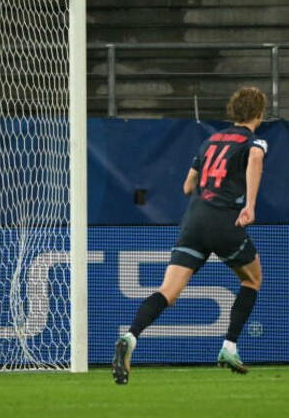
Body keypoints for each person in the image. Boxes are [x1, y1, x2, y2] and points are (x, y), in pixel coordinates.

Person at [112, 87, 269, 384]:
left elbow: (187, 186)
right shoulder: (255, 141)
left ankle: (130, 336)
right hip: (224, 222)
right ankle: (229, 346)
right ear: (259, 115)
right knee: (252, 279)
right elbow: (255, 159)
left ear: (233, 112)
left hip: (193, 222)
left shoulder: (210, 141)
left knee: (167, 292)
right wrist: (249, 205)